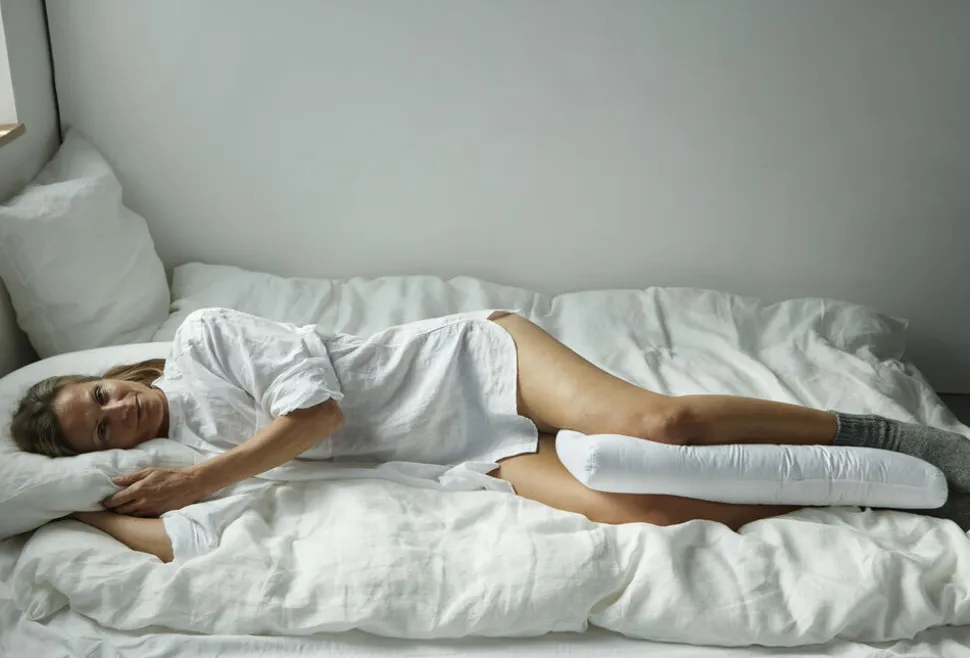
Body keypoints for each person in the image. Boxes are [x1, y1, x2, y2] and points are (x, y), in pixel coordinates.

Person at [11, 307, 970, 563]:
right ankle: (869, 494)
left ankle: (884, 436)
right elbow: (174, 538)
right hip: (462, 451)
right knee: (643, 508)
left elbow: (318, 416)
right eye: (98, 432)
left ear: (116, 375)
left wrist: (201, 479)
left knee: (656, 423)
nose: (114, 413)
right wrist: (69, 509)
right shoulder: (176, 464)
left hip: (472, 364)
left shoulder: (205, 340)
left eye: (100, 395)